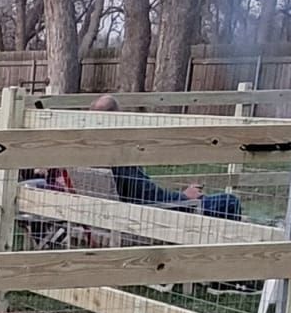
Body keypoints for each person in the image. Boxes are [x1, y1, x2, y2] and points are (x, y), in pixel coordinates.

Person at [91, 94, 243, 220]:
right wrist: (184, 197)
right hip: (159, 214)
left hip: (144, 210)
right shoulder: (119, 156)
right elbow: (148, 197)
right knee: (229, 201)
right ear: (117, 117)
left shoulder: (90, 155)